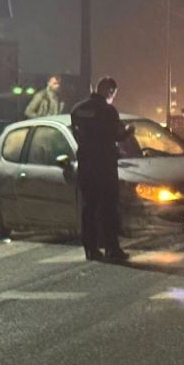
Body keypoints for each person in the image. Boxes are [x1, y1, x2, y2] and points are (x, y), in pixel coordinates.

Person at [70, 76, 134, 262]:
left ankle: (90, 249)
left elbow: (76, 134)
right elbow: (118, 135)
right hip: (104, 166)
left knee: (88, 208)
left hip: (86, 165)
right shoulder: (108, 111)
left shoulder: (77, 109)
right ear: (110, 91)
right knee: (108, 208)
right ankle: (112, 249)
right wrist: (129, 130)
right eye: (113, 94)